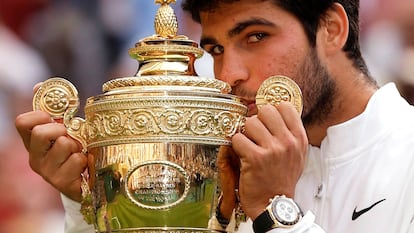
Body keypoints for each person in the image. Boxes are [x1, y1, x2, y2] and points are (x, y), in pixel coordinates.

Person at [14, 0, 414, 232]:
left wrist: (274, 211)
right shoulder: (224, 161)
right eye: (216, 49)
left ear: (331, 28)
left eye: (255, 37)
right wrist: (88, 199)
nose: (228, 75)